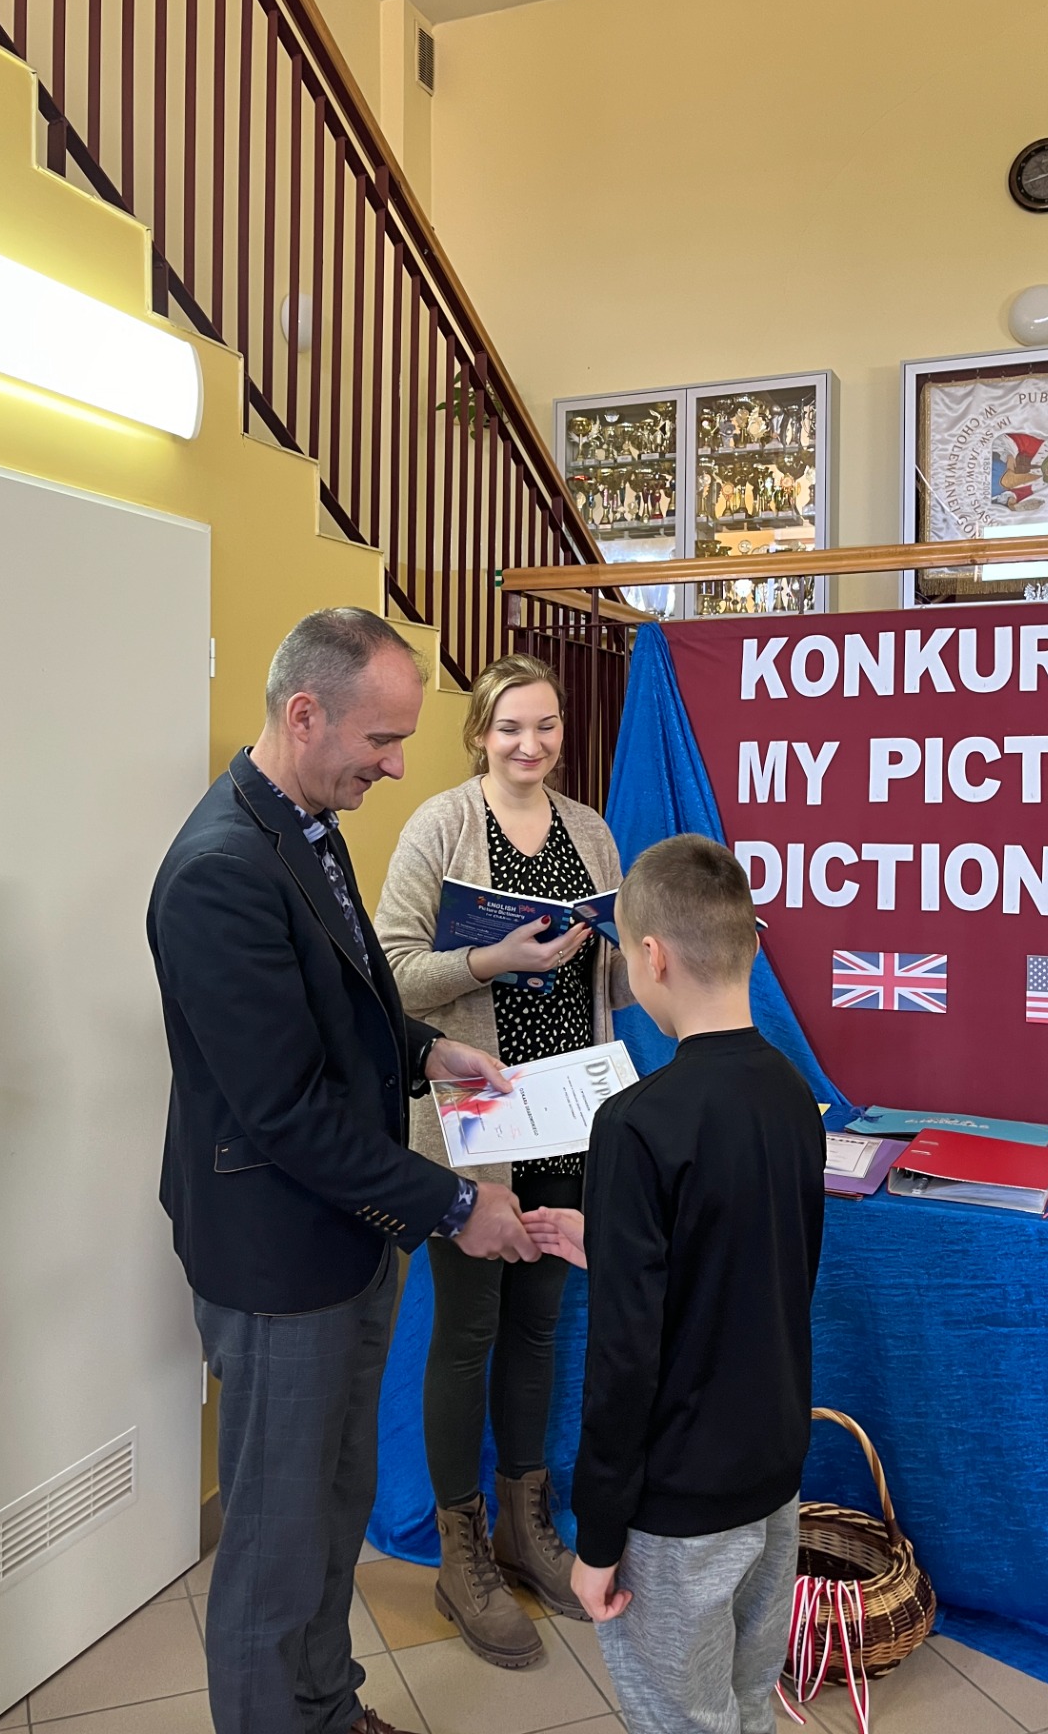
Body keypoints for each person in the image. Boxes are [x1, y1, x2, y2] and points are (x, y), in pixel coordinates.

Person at [147, 607, 539, 1734]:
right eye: (382, 740)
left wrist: (425, 1050)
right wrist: (457, 1204)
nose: (397, 766)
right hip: (281, 1257)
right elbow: (284, 1111)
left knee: (331, 1513)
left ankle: (326, 1708)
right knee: (275, 1553)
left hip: (348, 1235)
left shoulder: (307, 823)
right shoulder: (220, 871)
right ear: (306, 714)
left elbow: (341, 1005)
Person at [526, 834, 825, 1734]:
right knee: (746, 1701)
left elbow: (625, 1357)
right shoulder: (792, 1094)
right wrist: (619, 1247)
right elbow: (763, 1268)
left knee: (682, 1717)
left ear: (650, 956)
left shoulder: (635, 1123)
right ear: (749, 945)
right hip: (773, 1473)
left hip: (679, 1502)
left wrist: (598, 1535)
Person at [375, 653, 632, 1669]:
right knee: (469, 1330)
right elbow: (392, 976)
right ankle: (462, 1552)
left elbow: (613, 976)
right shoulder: (439, 826)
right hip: (475, 1117)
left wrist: (632, 945)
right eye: (512, 727)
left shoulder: (591, 832)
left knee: (539, 1326)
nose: (532, 744)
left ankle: (528, 1528)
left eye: (548, 726)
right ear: (480, 732)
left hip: (569, 1112)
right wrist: (493, 959)